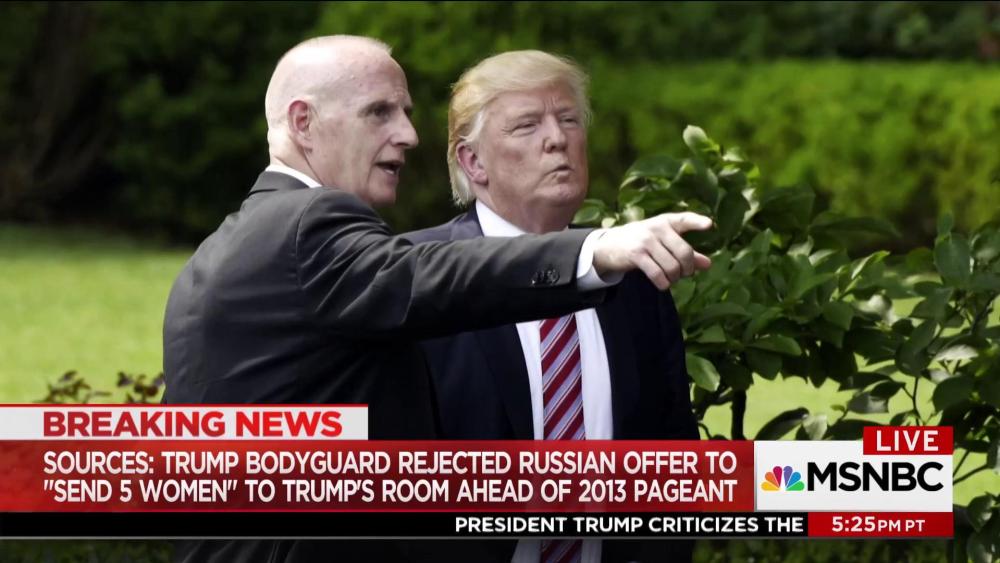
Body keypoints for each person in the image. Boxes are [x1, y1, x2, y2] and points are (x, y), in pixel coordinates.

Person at [162, 36, 711, 562]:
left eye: (404, 113)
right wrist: (594, 250)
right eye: (379, 112)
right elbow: (422, 277)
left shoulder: (224, 247)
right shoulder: (309, 224)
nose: (408, 135)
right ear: (303, 122)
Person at [406, 50, 700, 563]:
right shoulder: (417, 275)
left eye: (568, 120)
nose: (557, 139)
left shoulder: (632, 275)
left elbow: (672, 455)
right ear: (473, 162)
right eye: (527, 125)